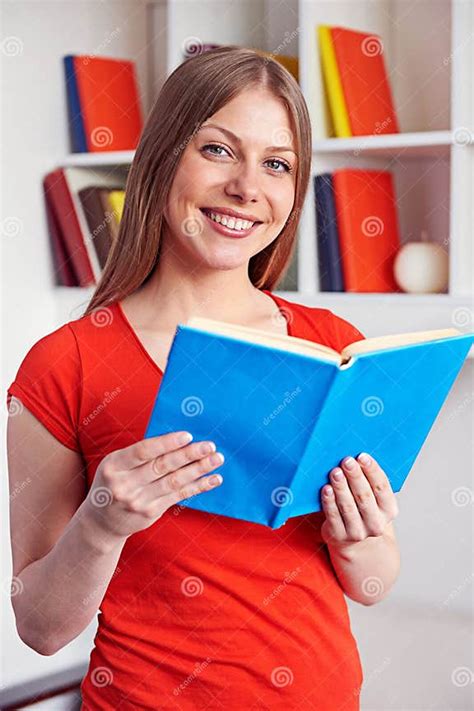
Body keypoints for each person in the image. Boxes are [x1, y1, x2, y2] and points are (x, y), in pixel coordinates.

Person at [6, 46, 400, 710]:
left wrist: (359, 536)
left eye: (276, 164)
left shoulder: (336, 348)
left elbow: (372, 583)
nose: (248, 187)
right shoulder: (63, 363)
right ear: (163, 158)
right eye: (219, 150)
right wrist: (101, 524)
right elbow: (41, 628)